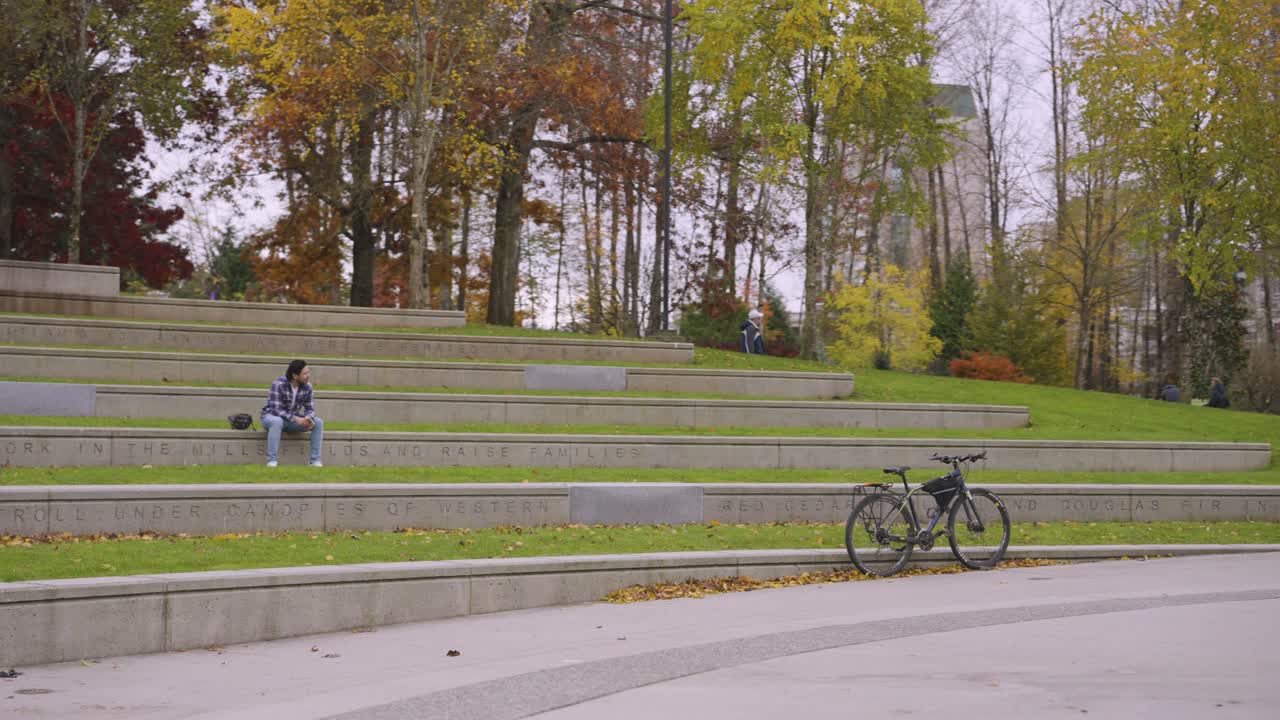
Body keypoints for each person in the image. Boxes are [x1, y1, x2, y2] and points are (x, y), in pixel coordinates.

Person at [261, 359, 324, 467]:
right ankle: (272, 461)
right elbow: (276, 409)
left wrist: (308, 418)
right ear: (295, 376)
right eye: (305, 373)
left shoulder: (308, 386)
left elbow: (310, 408)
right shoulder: (278, 384)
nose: (308, 375)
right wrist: (296, 419)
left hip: (290, 421)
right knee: (277, 421)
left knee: (318, 422)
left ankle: (315, 461)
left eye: (308, 372)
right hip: (271, 418)